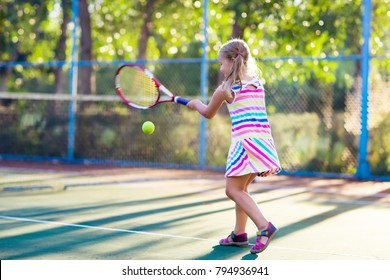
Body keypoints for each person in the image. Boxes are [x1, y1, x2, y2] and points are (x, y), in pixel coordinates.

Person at [187, 38, 281, 254]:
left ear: (232, 61)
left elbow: (208, 113)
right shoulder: (257, 83)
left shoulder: (226, 89)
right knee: (242, 189)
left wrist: (195, 104)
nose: (220, 69)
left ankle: (265, 227)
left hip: (245, 143)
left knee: (232, 190)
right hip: (262, 141)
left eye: (221, 63)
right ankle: (239, 234)